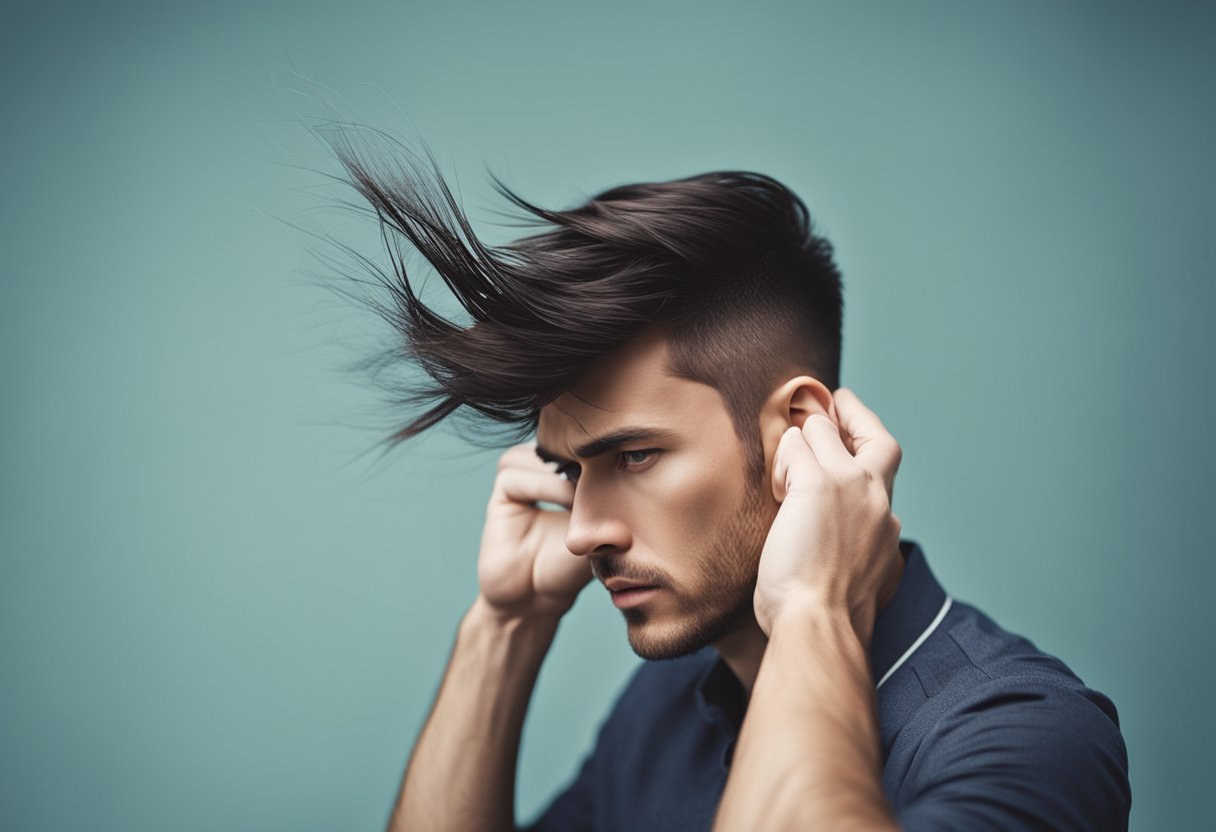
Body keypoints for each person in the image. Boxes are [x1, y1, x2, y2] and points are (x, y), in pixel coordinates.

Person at [312, 128, 1131, 831]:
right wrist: (507, 624)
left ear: (801, 431)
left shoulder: (1022, 736)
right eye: (569, 469)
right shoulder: (664, 707)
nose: (582, 530)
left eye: (634, 456)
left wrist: (813, 606)